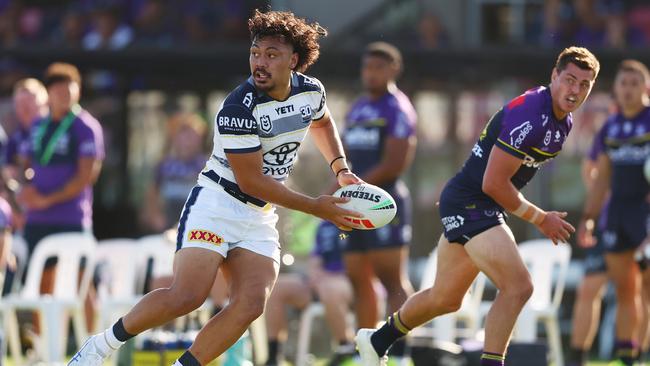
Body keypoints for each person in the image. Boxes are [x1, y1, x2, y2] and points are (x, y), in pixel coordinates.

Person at [68, 9, 362, 366]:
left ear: (294, 60)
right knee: (188, 296)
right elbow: (253, 180)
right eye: (255, 53)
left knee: (252, 303)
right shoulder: (238, 107)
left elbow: (322, 122)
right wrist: (318, 207)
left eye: (271, 54)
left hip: (259, 215)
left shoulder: (311, 92)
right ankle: (99, 347)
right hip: (217, 203)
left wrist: (341, 168)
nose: (260, 62)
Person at [355, 46, 600, 366]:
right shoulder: (531, 113)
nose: (575, 90)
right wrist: (540, 218)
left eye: (584, 84)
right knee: (519, 287)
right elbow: (493, 184)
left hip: (476, 204)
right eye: (569, 79)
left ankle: (376, 341)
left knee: (445, 298)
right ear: (554, 76)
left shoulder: (563, 122)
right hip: (472, 202)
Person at [341, 41, 417, 362]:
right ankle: (366, 350)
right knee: (358, 278)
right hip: (352, 204)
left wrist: (357, 188)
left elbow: (395, 163)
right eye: (367, 67)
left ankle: (400, 350)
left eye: (378, 67)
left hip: (386, 205)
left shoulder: (398, 108)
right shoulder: (357, 108)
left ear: (393, 69)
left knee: (392, 280)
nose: (370, 73)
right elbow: (342, 155)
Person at [18, 62, 104, 333]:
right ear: (49, 92)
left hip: (72, 220)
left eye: (70, 89)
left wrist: (47, 199)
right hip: (36, 220)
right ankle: (42, 347)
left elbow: (86, 176)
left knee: (83, 282)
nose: (64, 94)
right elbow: (24, 162)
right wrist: (25, 186)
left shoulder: (85, 126)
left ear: (77, 91)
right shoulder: (39, 126)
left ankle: (94, 344)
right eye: (58, 89)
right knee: (40, 283)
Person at [578, 59, 650, 365]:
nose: (629, 89)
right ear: (616, 89)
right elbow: (601, 180)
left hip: (646, 215)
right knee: (625, 289)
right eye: (623, 83)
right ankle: (628, 357)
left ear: (646, 88)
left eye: (635, 83)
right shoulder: (610, 128)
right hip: (619, 215)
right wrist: (589, 218)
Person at [265, 220, 355, 366]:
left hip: (348, 282)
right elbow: (316, 257)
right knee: (276, 288)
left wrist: (329, 278)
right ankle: (274, 356)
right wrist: (316, 274)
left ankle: (345, 349)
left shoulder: (361, 222)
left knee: (330, 287)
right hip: (322, 281)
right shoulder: (325, 224)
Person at [567, 135, 609, 366]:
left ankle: (632, 356)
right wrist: (599, 201)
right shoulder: (609, 129)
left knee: (637, 291)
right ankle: (577, 359)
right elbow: (589, 168)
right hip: (607, 225)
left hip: (641, 224)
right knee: (588, 290)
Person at [141, 112, 208, 232]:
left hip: (196, 229)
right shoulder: (164, 165)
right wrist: (155, 217)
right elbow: (152, 193)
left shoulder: (207, 165)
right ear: (174, 137)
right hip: (168, 228)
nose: (188, 141)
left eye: (193, 136)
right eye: (184, 135)